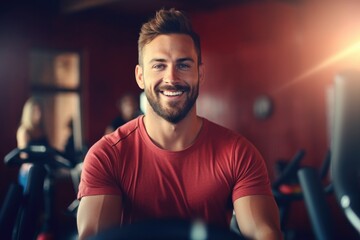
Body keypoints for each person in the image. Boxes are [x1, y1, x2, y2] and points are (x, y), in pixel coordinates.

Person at [77, 8, 282, 240]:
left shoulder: (238, 153)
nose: (172, 78)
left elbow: (264, 233)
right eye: (159, 65)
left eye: (183, 65)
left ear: (200, 73)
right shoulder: (107, 156)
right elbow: (93, 237)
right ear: (140, 76)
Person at [16, 96, 49, 188]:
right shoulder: (24, 131)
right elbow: (24, 158)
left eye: (40, 111)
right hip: (29, 174)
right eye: (35, 111)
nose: (39, 114)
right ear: (29, 113)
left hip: (42, 172)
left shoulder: (41, 130)